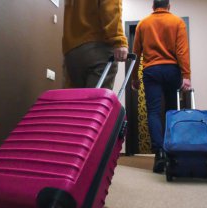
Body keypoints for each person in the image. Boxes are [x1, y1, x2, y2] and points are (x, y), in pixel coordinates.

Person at [131, 0, 191, 173]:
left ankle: (159, 153)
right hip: (172, 70)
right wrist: (186, 75)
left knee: (154, 112)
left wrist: (135, 77)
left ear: (153, 7)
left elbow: (136, 53)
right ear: (169, 6)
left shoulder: (143, 23)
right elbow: (182, 51)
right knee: (172, 111)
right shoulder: (177, 22)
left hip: (151, 71)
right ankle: (172, 152)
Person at [62, 0, 129, 89]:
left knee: (75, 100)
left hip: (71, 51)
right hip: (97, 46)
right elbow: (110, 7)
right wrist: (118, 39)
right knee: (95, 100)